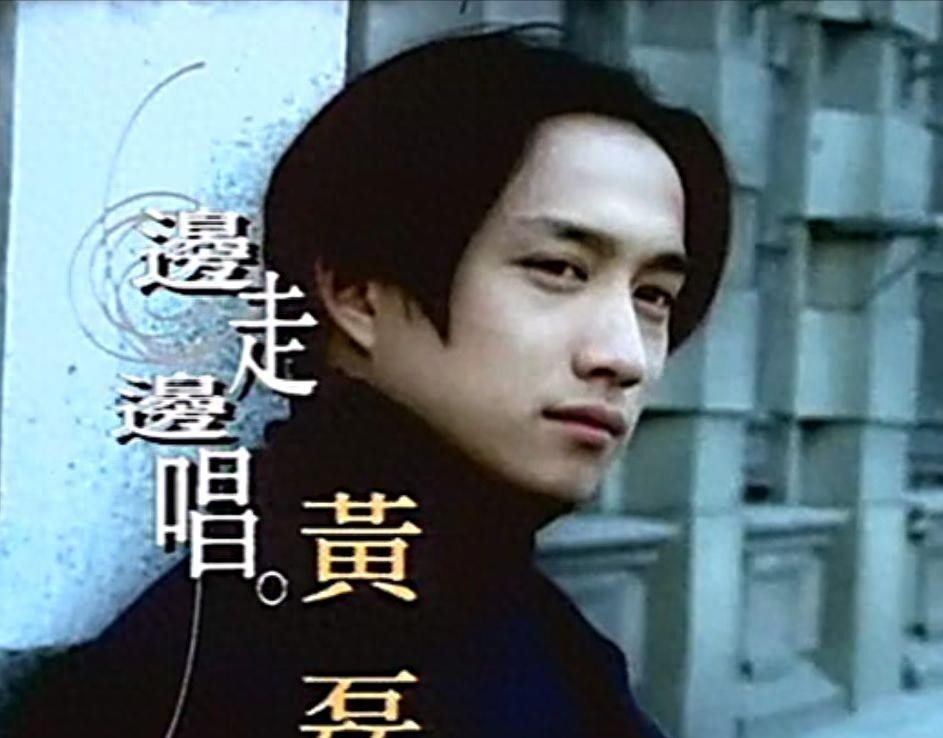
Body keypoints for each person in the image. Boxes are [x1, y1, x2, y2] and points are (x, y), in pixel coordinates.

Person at [7, 29, 729, 738]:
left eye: (653, 295)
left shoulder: (526, 631)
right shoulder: (234, 666)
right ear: (356, 292)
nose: (624, 356)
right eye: (558, 269)